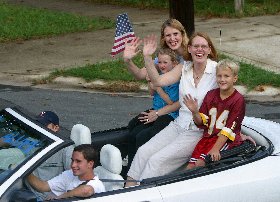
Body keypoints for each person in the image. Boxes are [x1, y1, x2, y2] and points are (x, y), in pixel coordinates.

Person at [125, 32, 219, 187]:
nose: (199, 49)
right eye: (195, 46)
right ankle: (127, 192)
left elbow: (231, 100)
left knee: (156, 161)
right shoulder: (184, 67)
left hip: (197, 130)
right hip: (178, 125)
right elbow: (158, 81)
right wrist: (148, 57)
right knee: (143, 152)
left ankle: (143, 193)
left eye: (204, 46)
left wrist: (237, 130)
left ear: (209, 49)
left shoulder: (216, 70)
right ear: (189, 48)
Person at [184, 59, 245, 169]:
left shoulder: (238, 99)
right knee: (190, 166)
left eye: (226, 76)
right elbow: (202, 122)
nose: (222, 79)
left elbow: (229, 128)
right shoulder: (211, 95)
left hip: (225, 140)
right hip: (208, 137)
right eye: (219, 76)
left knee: (200, 164)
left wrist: (216, 148)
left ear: (234, 78)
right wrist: (195, 112)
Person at [126, 48, 180, 169]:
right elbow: (151, 93)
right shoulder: (158, 75)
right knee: (132, 127)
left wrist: (157, 87)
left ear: (175, 64)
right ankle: (130, 163)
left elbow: (170, 101)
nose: (161, 65)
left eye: (165, 62)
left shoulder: (174, 81)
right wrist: (151, 83)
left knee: (143, 136)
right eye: (159, 62)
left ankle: (140, 166)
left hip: (169, 114)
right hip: (155, 109)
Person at [27, 144, 105, 200]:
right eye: (72, 160)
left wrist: (57, 199)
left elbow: (86, 191)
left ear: (90, 164)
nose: (73, 165)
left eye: (78, 161)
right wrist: (26, 172)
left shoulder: (96, 185)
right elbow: (43, 186)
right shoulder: (70, 174)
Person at [26, 111, 73, 201]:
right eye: (38, 124)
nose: (39, 128)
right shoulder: (33, 141)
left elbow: (72, 177)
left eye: (43, 125)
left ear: (56, 128)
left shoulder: (66, 149)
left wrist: (57, 194)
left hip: (44, 198)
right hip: (25, 189)